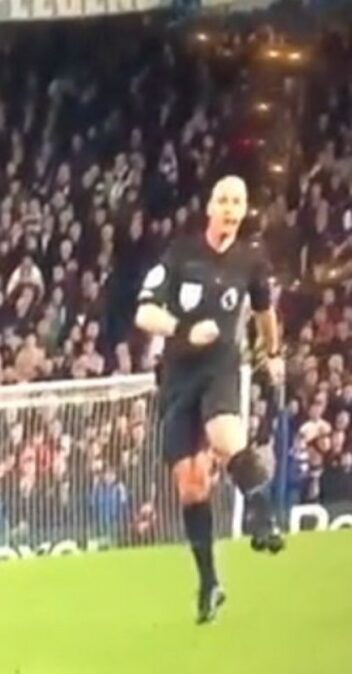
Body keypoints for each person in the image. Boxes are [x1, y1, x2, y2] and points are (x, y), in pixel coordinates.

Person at [135, 175, 286, 625]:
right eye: (223, 200)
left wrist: (272, 354)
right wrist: (184, 330)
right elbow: (144, 312)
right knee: (192, 484)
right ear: (209, 207)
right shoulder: (180, 254)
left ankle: (263, 518)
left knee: (226, 435)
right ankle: (209, 582)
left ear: (243, 210)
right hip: (179, 375)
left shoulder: (252, 261)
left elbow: (264, 313)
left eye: (238, 201)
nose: (230, 209)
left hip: (221, 368)